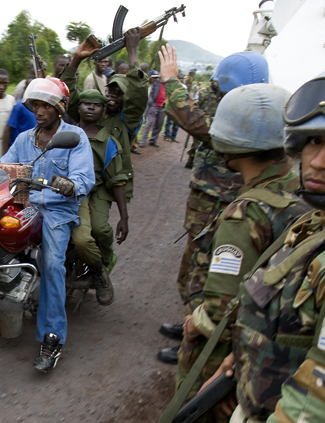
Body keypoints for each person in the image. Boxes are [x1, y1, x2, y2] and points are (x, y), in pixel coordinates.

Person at [175, 84, 309, 423]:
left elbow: (221, 309)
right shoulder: (300, 192)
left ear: (228, 145)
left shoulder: (246, 213)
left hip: (226, 352)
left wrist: (194, 323)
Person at [156, 46, 269, 365]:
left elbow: (198, 124)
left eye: (222, 85)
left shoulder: (248, 120)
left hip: (224, 209)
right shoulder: (232, 106)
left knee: (210, 280)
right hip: (207, 205)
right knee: (192, 274)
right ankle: (192, 325)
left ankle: (196, 349)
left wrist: (172, 82)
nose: (216, 89)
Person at [0, 78, 95, 373]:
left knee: (53, 264)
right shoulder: (23, 139)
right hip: (25, 207)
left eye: (45, 105)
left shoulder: (75, 137)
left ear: (60, 108)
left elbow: (84, 178)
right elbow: (5, 168)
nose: (39, 111)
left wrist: (70, 185)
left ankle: (51, 336)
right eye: (35, 105)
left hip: (56, 211)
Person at [62, 28, 148, 204]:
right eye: (111, 90)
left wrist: (132, 50)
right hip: (75, 175)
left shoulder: (127, 120)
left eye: (120, 92)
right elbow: (67, 94)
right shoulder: (93, 112)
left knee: (99, 229)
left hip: (104, 184)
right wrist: (77, 58)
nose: (113, 95)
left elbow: (138, 93)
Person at [70, 89, 130, 306]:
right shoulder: (67, 134)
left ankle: (100, 269)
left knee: (98, 229)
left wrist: (124, 217)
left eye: (96, 105)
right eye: (86, 103)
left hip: (97, 190)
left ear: (103, 110)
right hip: (67, 189)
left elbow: (117, 180)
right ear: (78, 107)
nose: (91, 107)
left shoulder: (109, 142)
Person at [2, 76, 38, 153]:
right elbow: (8, 129)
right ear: (25, 88)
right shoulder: (19, 106)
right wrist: (4, 155)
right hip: (20, 150)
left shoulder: (40, 107)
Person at [139, 70, 165, 148]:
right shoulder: (156, 83)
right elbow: (151, 94)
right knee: (149, 123)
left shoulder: (168, 84)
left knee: (159, 124)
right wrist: (151, 103)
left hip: (163, 107)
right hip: (155, 105)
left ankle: (153, 140)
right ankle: (142, 141)